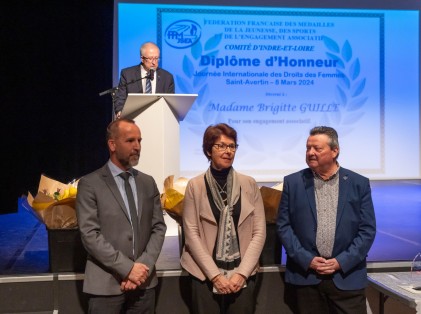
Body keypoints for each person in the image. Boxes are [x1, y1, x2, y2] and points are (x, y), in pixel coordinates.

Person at [277, 126, 376, 314]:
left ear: (335, 151)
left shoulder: (358, 183)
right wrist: (307, 260)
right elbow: (284, 226)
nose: (310, 153)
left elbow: (367, 230)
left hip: (347, 278)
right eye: (308, 148)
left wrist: (341, 261)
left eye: (317, 148)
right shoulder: (293, 182)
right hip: (306, 278)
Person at [76, 118, 167, 313]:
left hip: (144, 284)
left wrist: (143, 266)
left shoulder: (147, 182)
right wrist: (128, 269)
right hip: (106, 287)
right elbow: (90, 235)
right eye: (130, 141)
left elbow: (159, 227)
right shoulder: (90, 184)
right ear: (112, 145)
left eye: (139, 141)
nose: (137, 146)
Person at [180, 123, 266, 314]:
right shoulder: (195, 185)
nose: (228, 151)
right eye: (221, 146)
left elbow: (259, 232)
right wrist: (216, 276)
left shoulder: (249, 183)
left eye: (232, 146)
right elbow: (191, 234)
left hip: (242, 273)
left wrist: (241, 274)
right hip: (203, 274)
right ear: (209, 151)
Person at [114, 41, 175, 118]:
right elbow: (120, 97)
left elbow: (170, 102)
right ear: (142, 58)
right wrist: (120, 111)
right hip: (133, 118)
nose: (154, 62)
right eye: (150, 58)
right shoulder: (127, 74)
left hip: (158, 118)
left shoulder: (167, 77)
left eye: (156, 58)